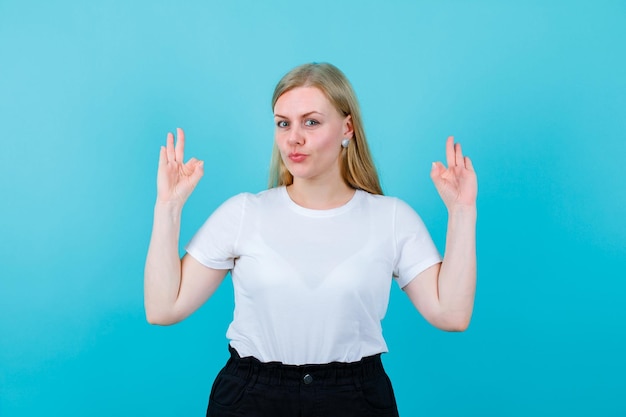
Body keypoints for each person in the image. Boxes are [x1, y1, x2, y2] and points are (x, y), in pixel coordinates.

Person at [144, 62, 477, 417]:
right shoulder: (243, 213)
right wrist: (168, 206)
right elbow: (164, 308)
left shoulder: (391, 218)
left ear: (347, 127)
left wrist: (462, 212)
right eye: (283, 123)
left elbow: (451, 314)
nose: (294, 138)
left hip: (354, 399)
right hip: (252, 399)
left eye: (311, 122)